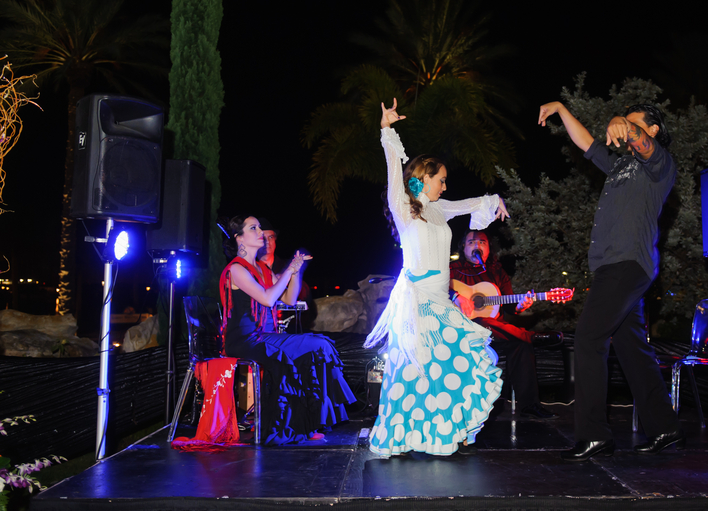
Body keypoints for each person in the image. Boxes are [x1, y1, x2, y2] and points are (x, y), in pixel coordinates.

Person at [538, 100, 683, 460]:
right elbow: (586, 142)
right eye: (625, 124)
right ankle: (665, 426)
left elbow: (644, 145)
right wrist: (560, 108)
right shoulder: (621, 164)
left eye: (636, 125)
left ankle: (594, 434)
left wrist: (623, 122)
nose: (625, 130)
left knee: (588, 339)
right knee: (632, 347)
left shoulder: (659, 164)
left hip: (627, 264)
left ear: (651, 130)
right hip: (612, 266)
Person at [364, 98, 508, 457]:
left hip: (440, 300)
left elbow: (474, 203)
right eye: (441, 180)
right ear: (423, 178)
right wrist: (386, 130)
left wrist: (493, 200)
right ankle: (408, 435)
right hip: (417, 302)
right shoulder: (404, 206)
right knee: (415, 373)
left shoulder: (440, 209)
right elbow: (392, 168)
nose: (445, 186)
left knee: (451, 365)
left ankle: (442, 432)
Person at [220, 215, 356, 444]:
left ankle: (308, 423)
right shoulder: (236, 269)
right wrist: (288, 271)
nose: (260, 231)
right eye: (253, 228)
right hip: (243, 340)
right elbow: (267, 298)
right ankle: (285, 428)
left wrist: (296, 271)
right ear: (239, 238)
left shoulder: (261, 269)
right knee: (297, 351)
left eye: (260, 227)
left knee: (318, 346)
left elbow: (290, 299)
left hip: (263, 337)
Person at [449, 230, 562, 419]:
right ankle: (531, 336)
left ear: (488, 247)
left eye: (482, 242)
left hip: (494, 331)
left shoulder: (496, 271)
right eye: (471, 242)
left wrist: (520, 306)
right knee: (483, 321)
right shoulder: (451, 269)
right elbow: (436, 289)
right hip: (461, 330)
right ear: (463, 247)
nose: (477, 246)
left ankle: (529, 405)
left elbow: (509, 307)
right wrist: (457, 296)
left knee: (521, 344)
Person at [256, 218, 316, 333]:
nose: (267, 242)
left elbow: (302, 297)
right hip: (258, 330)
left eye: (271, 237)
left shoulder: (287, 266)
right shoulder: (249, 269)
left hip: (290, 328)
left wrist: (293, 274)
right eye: (263, 238)